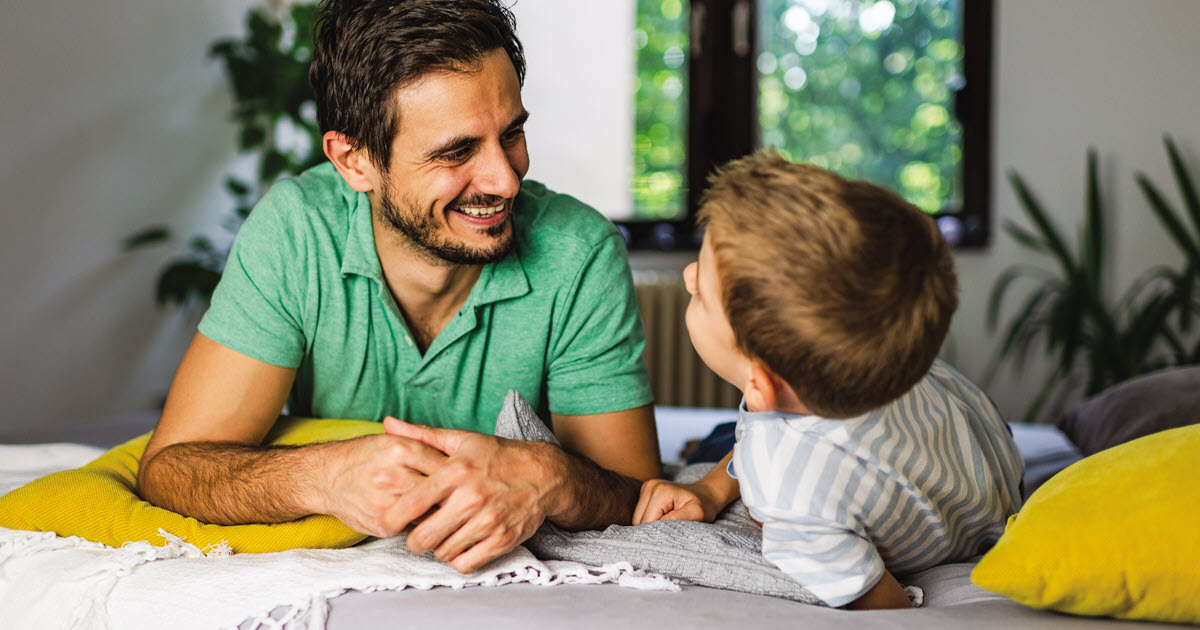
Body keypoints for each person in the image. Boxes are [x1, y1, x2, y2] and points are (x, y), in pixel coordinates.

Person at [136, 0, 661, 574]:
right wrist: (326, 476)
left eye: (511, 134)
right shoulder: (296, 231)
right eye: (456, 152)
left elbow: (639, 494)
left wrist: (546, 474)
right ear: (353, 160)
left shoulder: (578, 251)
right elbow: (172, 468)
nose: (505, 180)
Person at [632, 151, 1024, 610]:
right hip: (995, 469)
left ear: (760, 387)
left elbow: (885, 607)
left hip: (969, 534)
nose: (687, 277)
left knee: (717, 446)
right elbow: (765, 432)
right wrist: (711, 489)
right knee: (727, 441)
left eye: (701, 294)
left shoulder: (790, 493)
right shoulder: (883, 359)